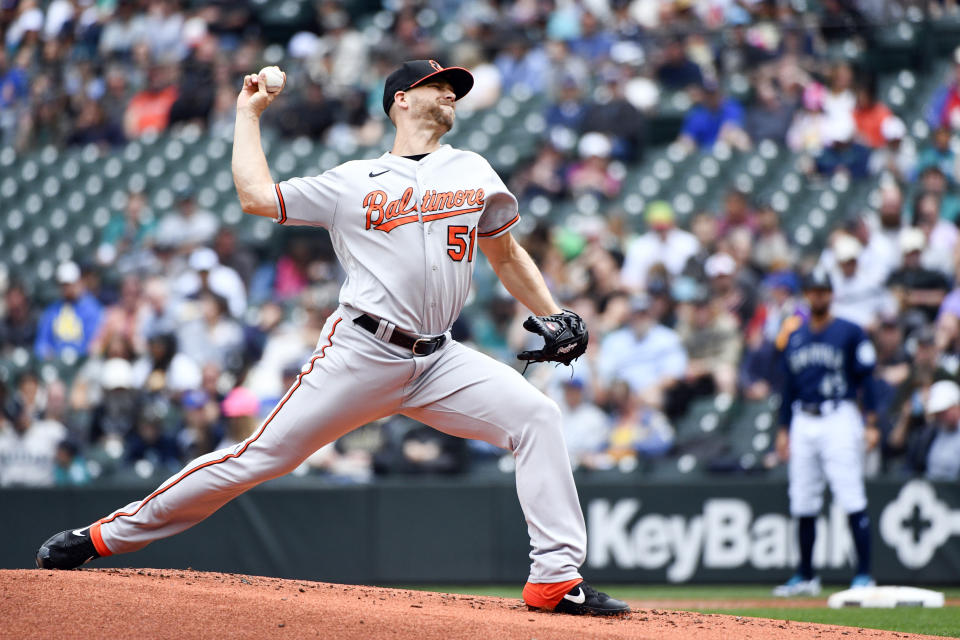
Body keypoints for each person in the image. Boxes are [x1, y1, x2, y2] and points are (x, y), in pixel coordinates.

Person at [36, 60, 628, 617]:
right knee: (256, 459)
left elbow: (503, 251)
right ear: (401, 100)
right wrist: (248, 114)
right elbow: (257, 198)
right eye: (439, 85)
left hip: (440, 357)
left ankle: (554, 578)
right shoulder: (353, 181)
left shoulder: (472, 168)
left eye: (456, 88)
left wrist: (554, 312)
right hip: (361, 353)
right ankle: (104, 536)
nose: (451, 93)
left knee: (538, 418)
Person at [773, 271, 879, 596]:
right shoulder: (795, 334)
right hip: (803, 417)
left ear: (832, 294)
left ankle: (863, 575)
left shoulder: (849, 331)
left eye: (823, 291)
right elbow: (787, 387)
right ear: (806, 294)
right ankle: (806, 576)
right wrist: (782, 429)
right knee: (803, 499)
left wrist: (871, 421)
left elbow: (868, 378)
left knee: (850, 494)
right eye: (813, 291)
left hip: (839, 415)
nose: (818, 296)